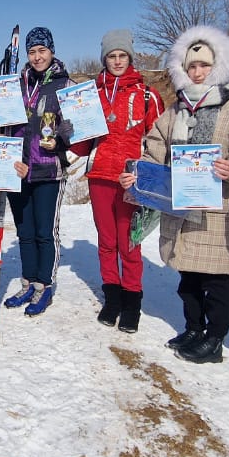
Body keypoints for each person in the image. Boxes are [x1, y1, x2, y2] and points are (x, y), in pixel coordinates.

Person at [121, 25, 229, 363]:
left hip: (216, 206)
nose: (197, 72)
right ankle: (194, 327)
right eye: (191, 66)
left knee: (216, 276)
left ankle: (215, 338)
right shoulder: (176, 110)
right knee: (188, 275)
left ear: (218, 66)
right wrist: (138, 176)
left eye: (204, 66)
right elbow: (154, 147)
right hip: (180, 205)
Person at [73, 29, 164, 333]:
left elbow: (158, 142)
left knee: (129, 242)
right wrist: (66, 141)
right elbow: (84, 142)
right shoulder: (92, 94)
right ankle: (112, 296)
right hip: (99, 176)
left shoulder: (148, 95)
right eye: (111, 56)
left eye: (122, 55)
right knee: (107, 241)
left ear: (130, 57)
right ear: (104, 59)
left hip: (130, 179)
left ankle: (132, 300)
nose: (117, 61)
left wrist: (144, 172)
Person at [0, 27, 78, 317]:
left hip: (48, 168)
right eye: (32, 52)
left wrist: (60, 139)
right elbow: (3, 121)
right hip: (18, 169)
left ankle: (44, 285)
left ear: (52, 51)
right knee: (25, 232)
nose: (36, 57)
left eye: (42, 51)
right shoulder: (16, 84)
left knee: (45, 232)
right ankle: (28, 283)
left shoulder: (65, 83)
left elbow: (77, 125)